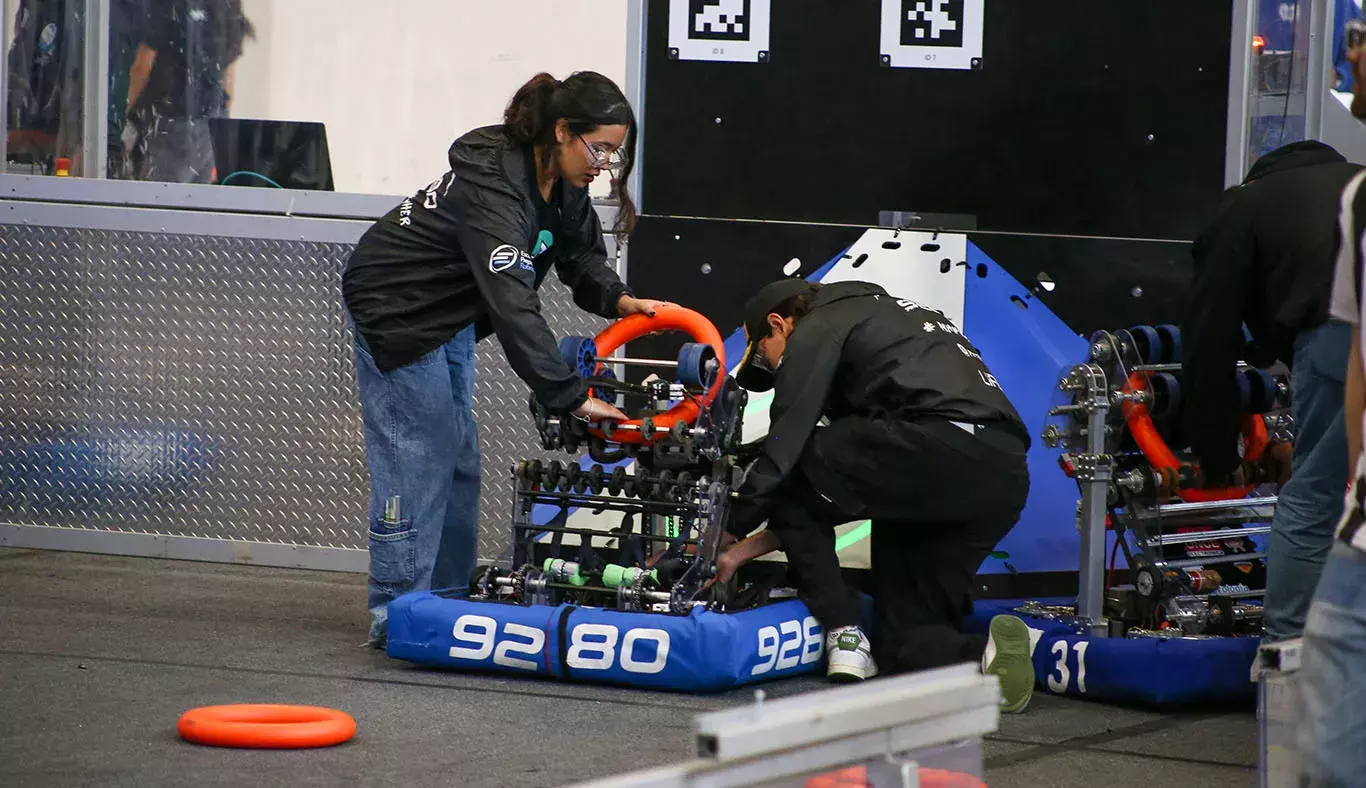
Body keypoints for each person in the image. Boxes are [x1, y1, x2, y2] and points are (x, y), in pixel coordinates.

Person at [342, 71, 668, 646]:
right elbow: (516, 307)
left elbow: (580, 258)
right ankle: (396, 615)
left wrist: (621, 300)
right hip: (395, 305)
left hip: (449, 311)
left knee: (462, 459)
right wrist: (571, 394)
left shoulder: (563, 183)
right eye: (601, 149)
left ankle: (442, 606)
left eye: (615, 155)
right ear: (563, 131)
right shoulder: (494, 187)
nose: (605, 166)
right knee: (420, 456)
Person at [715, 278, 1036, 711]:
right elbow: (814, 503)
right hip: (1001, 474)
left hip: (932, 447)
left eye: (765, 357)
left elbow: (786, 458)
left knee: (791, 468)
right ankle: (989, 656)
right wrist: (741, 552)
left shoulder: (819, 325)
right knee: (902, 641)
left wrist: (727, 528)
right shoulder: (893, 316)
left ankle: (842, 631)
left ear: (779, 323)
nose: (773, 370)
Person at [1183, 140, 1364, 647]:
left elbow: (1209, 338)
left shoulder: (1245, 203)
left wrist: (1217, 455)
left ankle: (1287, 664)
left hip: (1342, 334)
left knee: (1313, 498)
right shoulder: (1357, 181)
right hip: (1342, 332)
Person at [1297, 43, 1366, 788]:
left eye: (1361, 39)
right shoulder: (1359, 200)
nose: (1350, 55)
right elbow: (1358, 362)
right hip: (1363, 541)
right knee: (1328, 760)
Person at [121, 0, 255, 183]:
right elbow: (228, 77)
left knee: (159, 200)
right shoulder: (227, 7)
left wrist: (128, 114)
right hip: (213, 121)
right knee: (197, 202)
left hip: (173, 118)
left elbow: (142, 67)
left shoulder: (171, 6)